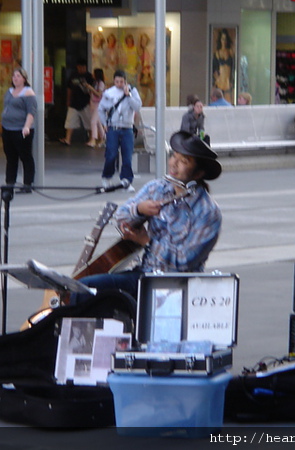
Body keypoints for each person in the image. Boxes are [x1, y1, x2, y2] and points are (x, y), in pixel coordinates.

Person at [69, 130, 222, 305]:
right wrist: (139, 210)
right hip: (145, 274)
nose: (174, 164)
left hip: (178, 286)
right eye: (174, 157)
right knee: (83, 289)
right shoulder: (157, 188)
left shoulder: (208, 212)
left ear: (198, 174)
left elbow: (183, 261)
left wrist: (147, 241)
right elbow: (121, 216)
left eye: (183, 162)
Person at [98, 69, 142, 192]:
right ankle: (107, 177)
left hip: (127, 127)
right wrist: (104, 124)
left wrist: (129, 96)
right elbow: (101, 108)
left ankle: (126, 181)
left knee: (127, 156)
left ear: (125, 81)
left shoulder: (132, 91)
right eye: (117, 81)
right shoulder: (109, 93)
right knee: (111, 154)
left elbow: (137, 107)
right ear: (114, 81)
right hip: (113, 126)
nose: (119, 84)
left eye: (121, 81)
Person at [0, 67, 37, 193]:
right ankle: (10, 182)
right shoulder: (10, 91)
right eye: (14, 76)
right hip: (7, 128)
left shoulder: (28, 93)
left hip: (21, 129)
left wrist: (26, 126)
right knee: (11, 156)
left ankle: (28, 184)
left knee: (25, 156)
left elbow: (31, 112)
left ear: (24, 79)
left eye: (18, 76)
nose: (15, 78)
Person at [60, 58, 94, 146]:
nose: (81, 68)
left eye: (82, 67)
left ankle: (91, 139)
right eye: (79, 67)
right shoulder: (73, 75)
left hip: (86, 102)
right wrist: (68, 100)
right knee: (70, 121)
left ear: (85, 67)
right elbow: (69, 88)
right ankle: (68, 139)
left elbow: (92, 90)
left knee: (89, 122)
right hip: (74, 102)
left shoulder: (89, 76)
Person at [212, 28, 235, 103]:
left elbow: (233, 67)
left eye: (225, 39)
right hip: (220, 79)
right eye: (222, 39)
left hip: (228, 79)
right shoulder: (217, 53)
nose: (224, 41)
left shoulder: (230, 52)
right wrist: (216, 78)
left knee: (228, 98)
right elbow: (214, 68)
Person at [86, 68, 106, 148]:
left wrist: (90, 88)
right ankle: (104, 137)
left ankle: (93, 139)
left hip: (99, 104)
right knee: (98, 122)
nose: (92, 75)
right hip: (93, 104)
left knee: (93, 121)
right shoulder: (95, 83)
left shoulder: (101, 84)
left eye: (94, 73)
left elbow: (98, 94)